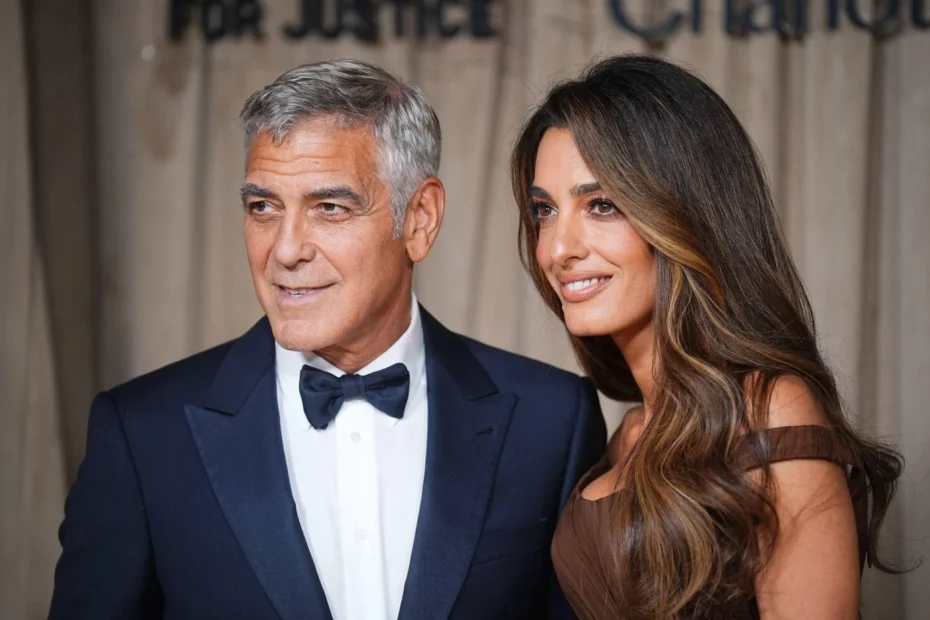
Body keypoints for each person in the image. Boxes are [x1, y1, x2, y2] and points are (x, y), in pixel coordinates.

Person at [49, 59, 606, 620]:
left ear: (419, 219)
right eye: (263, 207)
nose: (286, 249)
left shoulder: (551, 420)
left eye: (329, 208)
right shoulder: (143, 435)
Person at [511, 54, 904, 620]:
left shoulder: (770, 408)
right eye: (544, 210)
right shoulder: (628, 435)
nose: (557, 248)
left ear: (685, 216)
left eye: (601, 205)